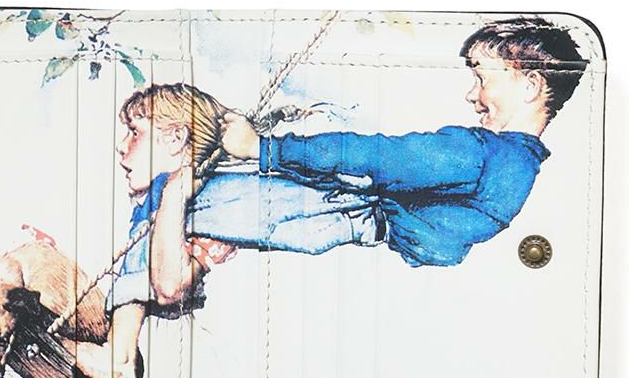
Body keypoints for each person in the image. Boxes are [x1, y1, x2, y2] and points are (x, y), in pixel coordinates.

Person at [204, 17, 588, 266]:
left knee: (197, 206)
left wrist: (262, 148)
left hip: (332, 214)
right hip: (351, 227)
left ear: (530, 86)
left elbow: (372, 156)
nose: (471, 95)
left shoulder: (481, 153)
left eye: (482, 79)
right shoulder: (522, 169)